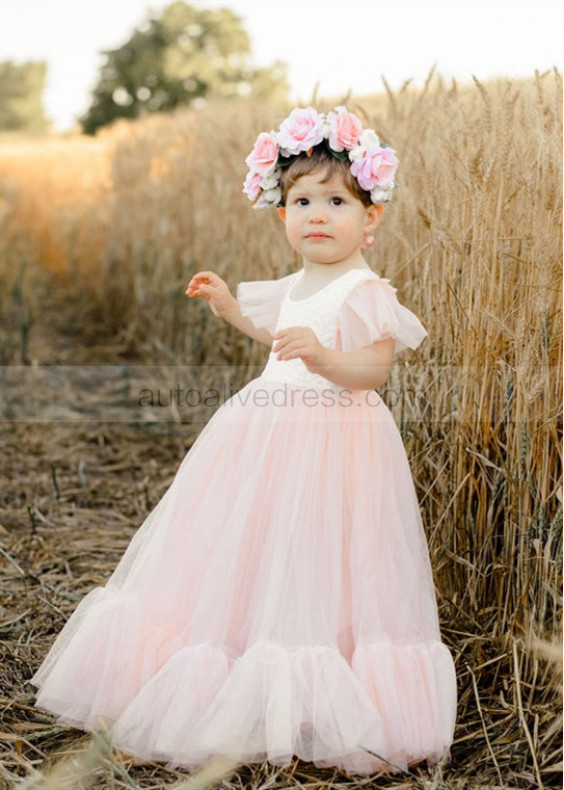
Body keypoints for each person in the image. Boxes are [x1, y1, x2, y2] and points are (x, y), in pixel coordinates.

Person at [30, 106, 457, 777]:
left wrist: (324, 358)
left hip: (336, 444)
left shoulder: (367, 289)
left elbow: (373, 369)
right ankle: (234, 672)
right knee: (250, 547)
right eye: (301, 200)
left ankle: (322, 694)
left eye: (336, 201)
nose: (317, 214)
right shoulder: (298, 283)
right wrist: (232, 310)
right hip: (264, 431)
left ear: (370, 218)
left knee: (323, 557)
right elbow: (281, 340)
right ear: (282, 211)